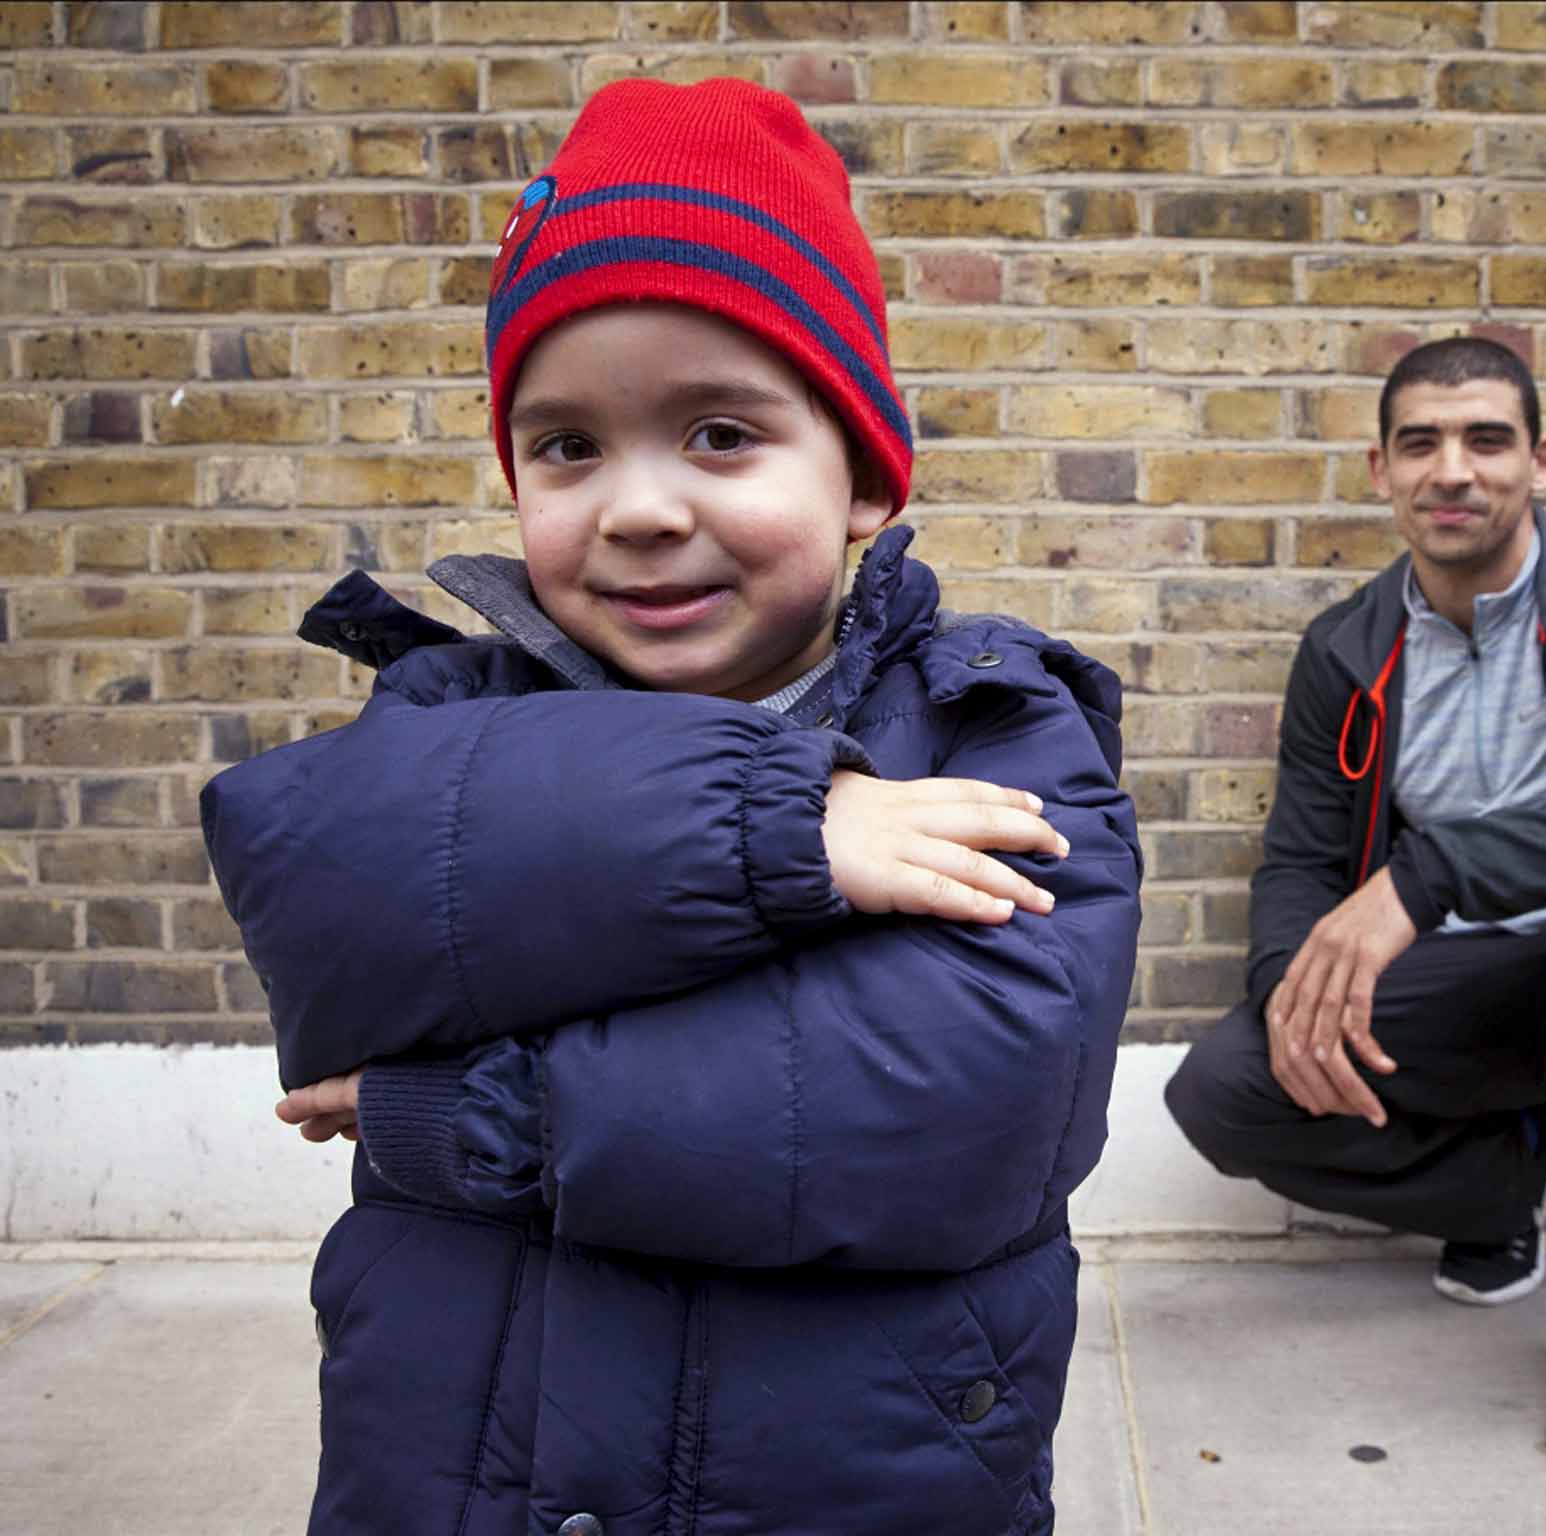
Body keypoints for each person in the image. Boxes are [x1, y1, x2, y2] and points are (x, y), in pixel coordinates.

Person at [201, 78, 1141, 1536]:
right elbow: (322, 894)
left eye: (719, 434)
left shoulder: (991, 722)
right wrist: (780, 829)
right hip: (462, 1474)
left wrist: (491, 1110)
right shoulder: (446, 714)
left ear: (863, 484)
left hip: (849, 1473)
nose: (638, 508)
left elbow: (974, 1093)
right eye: (568, 447)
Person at [1164, 336, 1546, 1475]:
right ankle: (1505, 1177)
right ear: (1378, 470)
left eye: (1485, 439)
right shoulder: (1347, 647)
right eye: (1420, 444)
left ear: (1538, 461)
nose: (1452, 470)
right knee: (1224, 1090)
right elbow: (1297, 859)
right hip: (1460, 986)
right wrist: (1293, 993)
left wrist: (1426, 877)